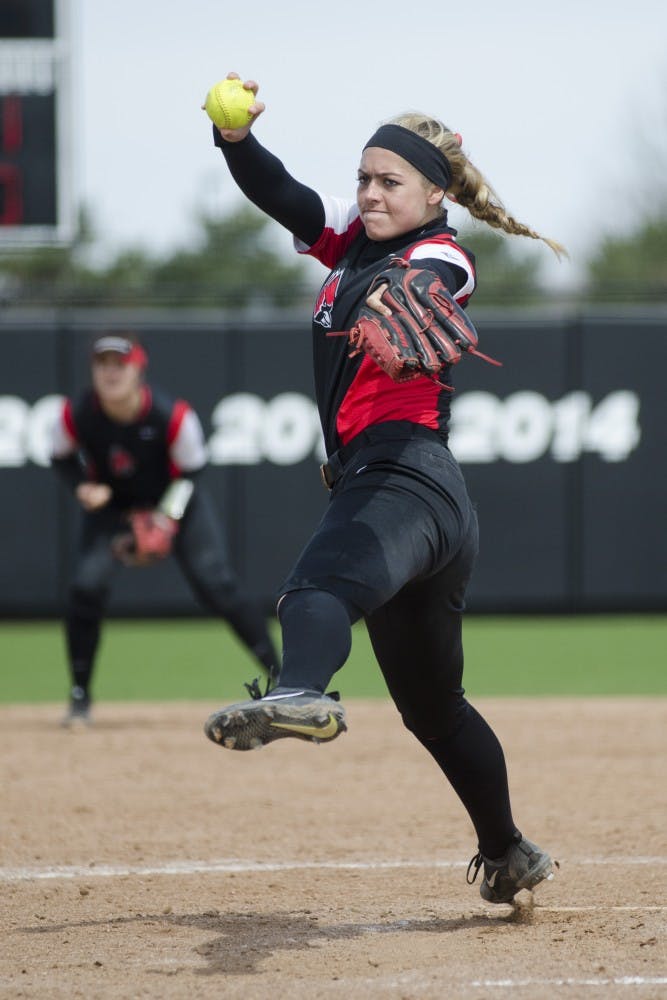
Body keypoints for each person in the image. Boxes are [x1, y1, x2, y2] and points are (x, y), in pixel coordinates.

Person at [203, 73, 565, 905]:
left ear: (434, 192)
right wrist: (235, 141)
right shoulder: (351, 243)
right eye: (363, 177)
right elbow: (284, 195)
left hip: (403, 474)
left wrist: (409, 300)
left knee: (316, 586)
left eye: (388, 180)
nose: (369, 192)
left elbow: (438, 282)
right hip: (411, 499)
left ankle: (300, 691)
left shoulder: (435, 252)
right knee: (434, 711)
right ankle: (507, 851)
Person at [51, 332, 280, 726]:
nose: (110, 373)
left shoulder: (169, 415)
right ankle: (79, 697)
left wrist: (164, 519)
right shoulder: (78, 414)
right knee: (85, 588)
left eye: (119, 364)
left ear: (138, 369)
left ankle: (283, 678)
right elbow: (61, 458)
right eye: (102, 364)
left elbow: (192, 472)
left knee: (217, 585)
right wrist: (82, 487)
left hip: (176, 502)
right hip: (114, 510)